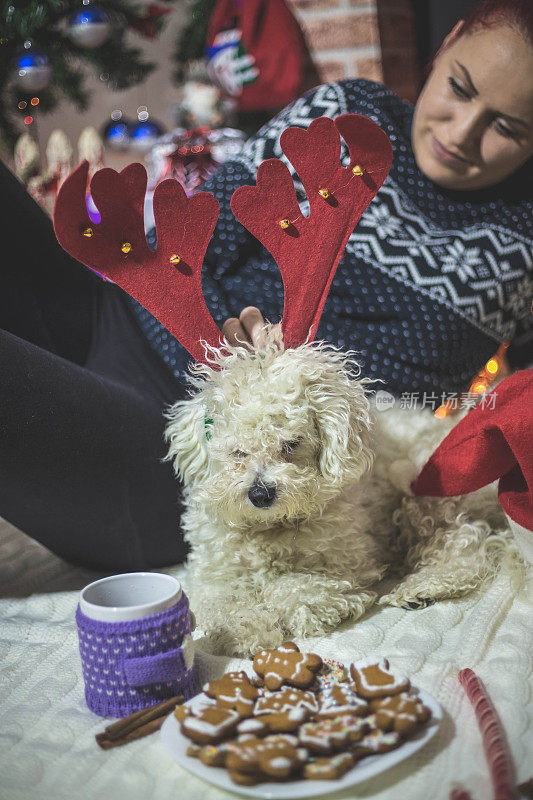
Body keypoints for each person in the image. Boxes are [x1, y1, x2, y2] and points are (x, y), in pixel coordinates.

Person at [1, 0, 531, 572]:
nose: (462, 130)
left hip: (208, 464)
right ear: (448, 41)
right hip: (119, 321)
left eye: (508, 126)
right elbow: (199, 226)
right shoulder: (347, 112)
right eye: (459, 87)